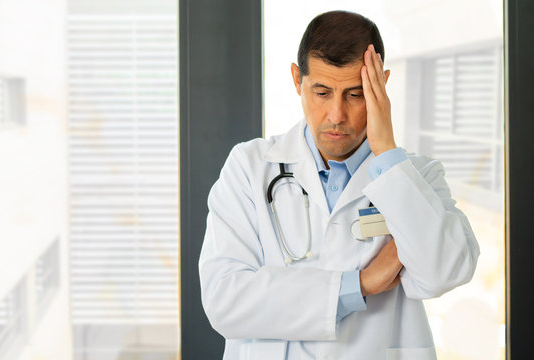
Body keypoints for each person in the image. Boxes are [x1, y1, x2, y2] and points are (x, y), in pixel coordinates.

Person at [199, 10, 479, 360]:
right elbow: (224, 300)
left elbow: (444, 272)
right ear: (296, 80)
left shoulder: (415, 177)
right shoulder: (249, 167)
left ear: (381, 85)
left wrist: (388, 156)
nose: (336, 115)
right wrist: (359, 284)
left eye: (355, 94)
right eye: (321, 92)